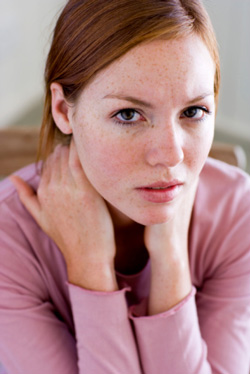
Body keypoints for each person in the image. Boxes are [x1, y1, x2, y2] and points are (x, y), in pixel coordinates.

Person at [0, 0, 250, 373]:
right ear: (64, 111)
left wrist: (172, 259)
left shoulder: (239, 214)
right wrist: (89, 266)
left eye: (193, 111)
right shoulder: (8, 241)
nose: (170, 155)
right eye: (128, 115)